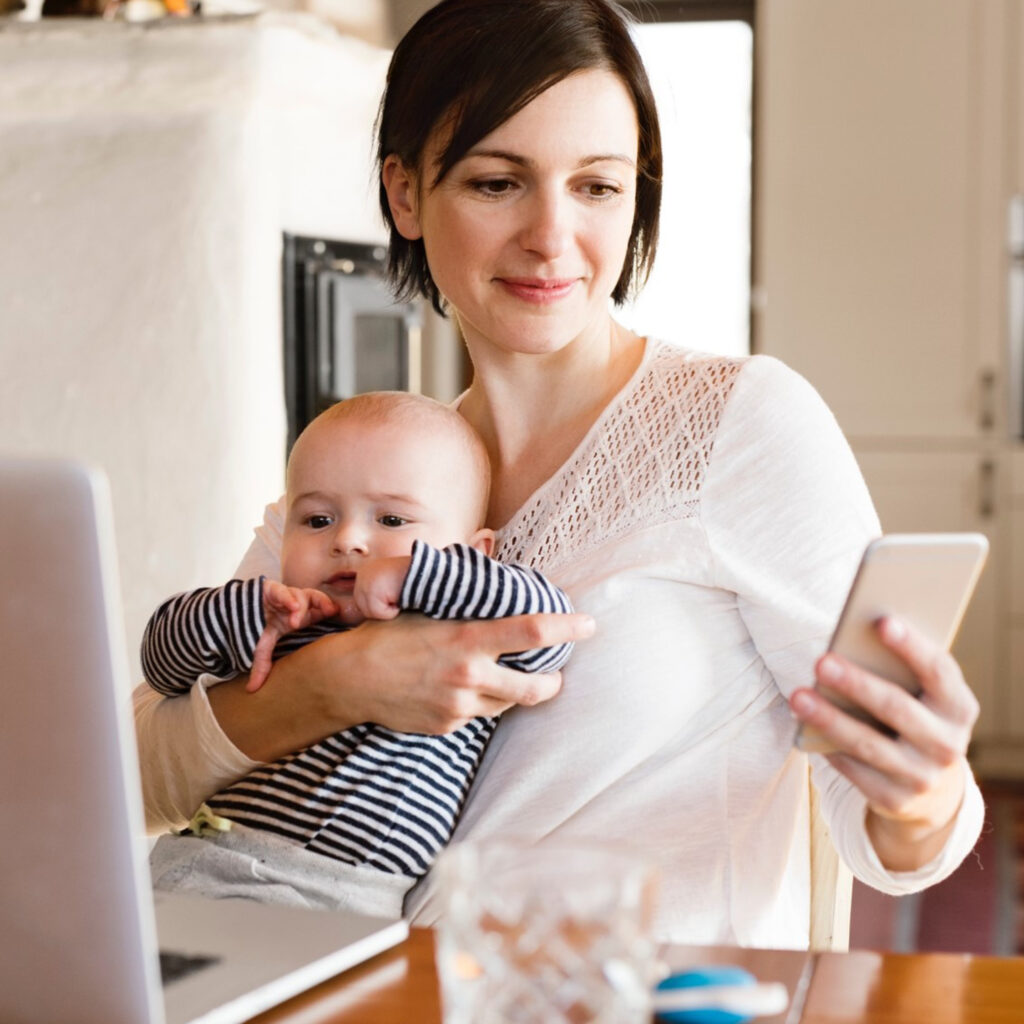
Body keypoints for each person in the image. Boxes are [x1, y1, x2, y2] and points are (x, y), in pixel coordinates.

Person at [133, 0, 985, 947]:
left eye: (597, 187)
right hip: (381, 996)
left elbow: (895, 837)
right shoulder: (370, 468)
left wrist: (922, 793)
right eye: (498, 183)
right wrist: (343, 681)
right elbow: (135, 770)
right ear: (406, 193)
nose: (551, 236)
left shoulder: (740, 424)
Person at [139, 391, 573, 919]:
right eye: (317, 520)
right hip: (205, 866)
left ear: (474, 553)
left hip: (348, 901)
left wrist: (417, 576)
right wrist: (247, 610)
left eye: (392, 521)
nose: (348, 539)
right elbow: (161, 662)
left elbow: (548, 631)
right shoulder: (287, 618)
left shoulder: (464, 628)